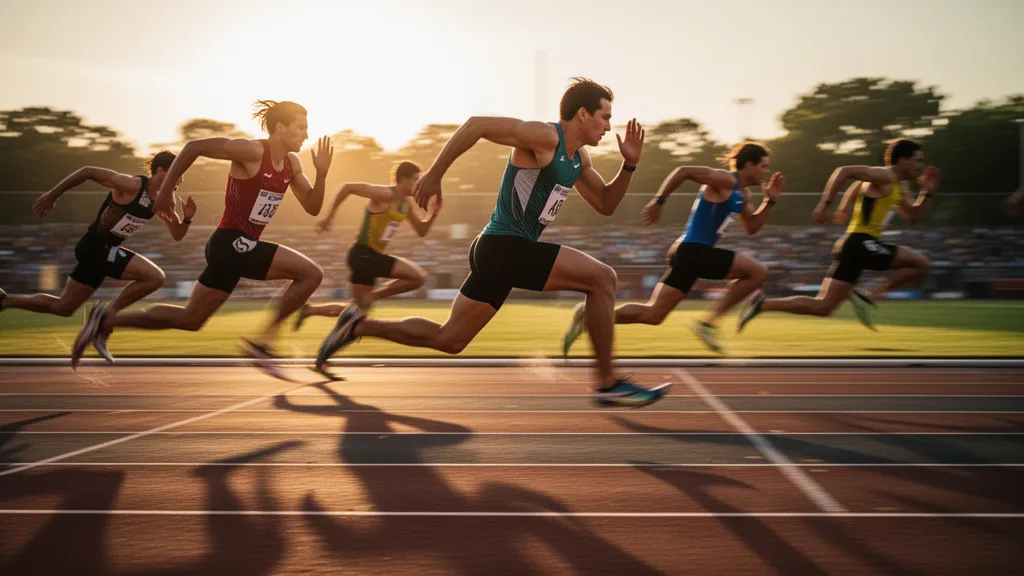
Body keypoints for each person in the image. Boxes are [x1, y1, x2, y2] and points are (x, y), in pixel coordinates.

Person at [316, 78, 669, 406]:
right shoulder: (544, 137)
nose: (609, 126)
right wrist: (435, 174)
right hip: (505, 246)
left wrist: (629, 166)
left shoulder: (579, 158)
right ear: (582, 114)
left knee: (449, 339)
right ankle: (607, 382)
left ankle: (357, 325)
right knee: (603, 278)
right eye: (605, 117)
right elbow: (476, 125)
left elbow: (606, 204)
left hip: (500, 253)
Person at [69, 100, 334, 378]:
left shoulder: (291, 164)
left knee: (190, 319)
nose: (306, 134)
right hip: (229, 242)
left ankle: (107, 319)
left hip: (235, 249)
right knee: (310, 274)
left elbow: (312, 206)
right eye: (301, 127)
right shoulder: (252, 151)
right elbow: (194, 147)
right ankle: (263, 344)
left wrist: (323, 173)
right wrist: (166, 191)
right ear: (280, 128)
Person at [564, 143, 783, 354]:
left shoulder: (743, 196)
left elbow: (752, 227)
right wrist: (659, 201)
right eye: (763, 165)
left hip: (688, 254)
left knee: (653, 314)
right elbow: (683, 171)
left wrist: (770, 202)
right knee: (757, 272)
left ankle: (589, 316)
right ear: (748, 165)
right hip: (693, 250)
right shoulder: (725, 180)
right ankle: (709, 323)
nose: (766, 171)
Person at [0, 152, 195, 364]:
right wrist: (52, 195)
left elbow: (177, 235)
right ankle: (106, 317)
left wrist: (187, 218)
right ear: (161, 171)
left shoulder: (166, 200)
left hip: (103, 252)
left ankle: (6, 300)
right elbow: (88, 171)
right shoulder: (132, 185)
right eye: (176, 176)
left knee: (64, 307)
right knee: (155, 277)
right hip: (94, 247)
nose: (178, 183)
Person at [738, 139, 938, 331]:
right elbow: (845, 171)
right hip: (861, 242)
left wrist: (926, 192)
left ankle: (762, 304)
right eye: (916, 160)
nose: (919, 166)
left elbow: (913, 217)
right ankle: (870, 296)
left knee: (822, 307)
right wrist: (826, 204)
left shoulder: (899, 187)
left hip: (855, 246)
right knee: (921, 263)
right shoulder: (884, 175)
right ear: (902, 160)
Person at [293, 161, 441, 334]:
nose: (418, 184)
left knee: (357, 312)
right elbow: (347, 187)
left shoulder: (406, 205)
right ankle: (373, 296)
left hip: (369, 258)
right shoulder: (384, 194)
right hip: (364, 254)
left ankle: (310, 310)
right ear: (403, 179)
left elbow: (421, 231)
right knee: (418, 277)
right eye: (415, 179)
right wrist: (329, 217)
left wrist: (433, 213)